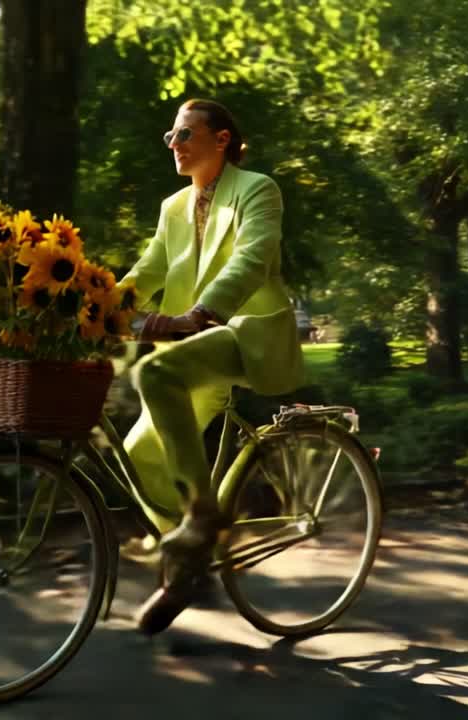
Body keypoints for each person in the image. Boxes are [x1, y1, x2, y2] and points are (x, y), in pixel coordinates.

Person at [119, 99, 305, 634]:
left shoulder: (257, 190)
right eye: (170, 136)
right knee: (138, 455)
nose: (174, 144)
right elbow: (149, 269)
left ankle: (202, 516)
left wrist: (200, 314)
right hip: (193, 344)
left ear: (221, 140)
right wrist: (92, 306)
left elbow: (252, 259)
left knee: (153, 374)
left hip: (246, 332)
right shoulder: (173, 207)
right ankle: (188, 567)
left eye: (184, 134)